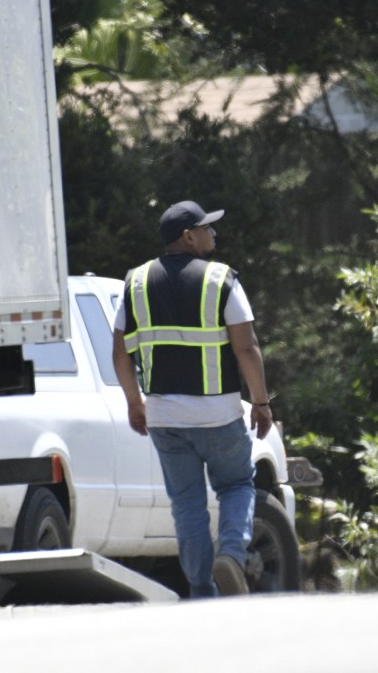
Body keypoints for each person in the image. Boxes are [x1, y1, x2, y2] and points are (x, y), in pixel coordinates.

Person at [111, 200, 274, 598]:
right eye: (206, 228)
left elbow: (119, 352)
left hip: (165, 418)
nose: (213, 234)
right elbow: (247, 348)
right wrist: (261, 401)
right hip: (218, 415)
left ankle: (202, 589)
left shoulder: (134, 283)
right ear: (188, 236)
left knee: (186, 504)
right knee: (236, 486)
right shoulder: (221, 280)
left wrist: (135, 402)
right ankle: (232, 556)